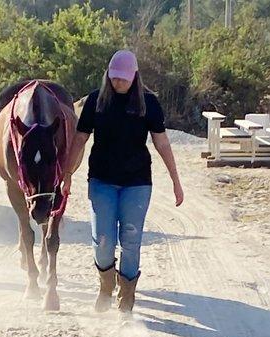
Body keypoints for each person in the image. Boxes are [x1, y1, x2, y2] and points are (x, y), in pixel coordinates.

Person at [62, 50, 184, 314]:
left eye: (123, 79)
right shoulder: (96, 100)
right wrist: (67, 174)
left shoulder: (148, 103)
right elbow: (80, 139)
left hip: (137, 182)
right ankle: (106, 286)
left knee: (131, 239)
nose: (118, 83)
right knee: (103, 240)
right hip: (102, 180)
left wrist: (176, 180)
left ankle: (126, 299)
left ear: (134, 77)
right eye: (114, 78)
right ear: (108, 75)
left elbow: (161, 142)